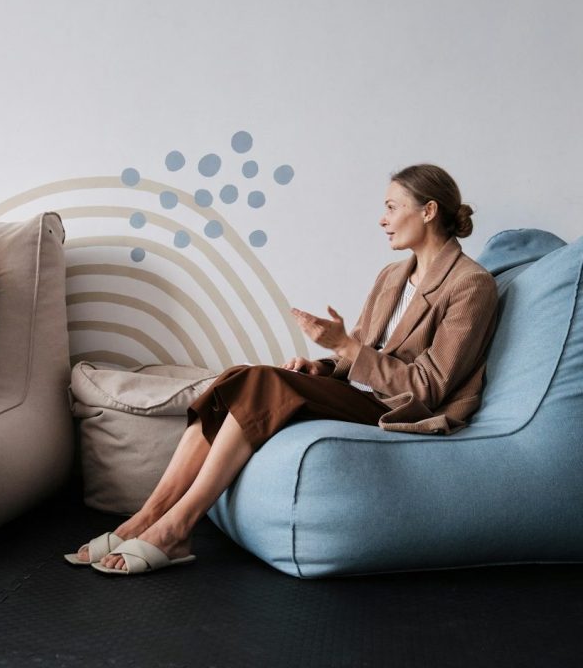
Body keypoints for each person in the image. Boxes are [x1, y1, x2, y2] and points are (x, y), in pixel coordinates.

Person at [66, 163, 499, 575]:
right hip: (361, 394)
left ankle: (177, 528)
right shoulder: (392, 276)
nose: (382, 219)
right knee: (237, 377)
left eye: (391, 207)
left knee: (261, 383)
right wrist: (323, 367)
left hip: (401, 409)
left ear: (428, 211)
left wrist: (345, 344)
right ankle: (147, 516)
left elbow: (428, 387)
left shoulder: (470, 284)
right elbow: (358, 356)